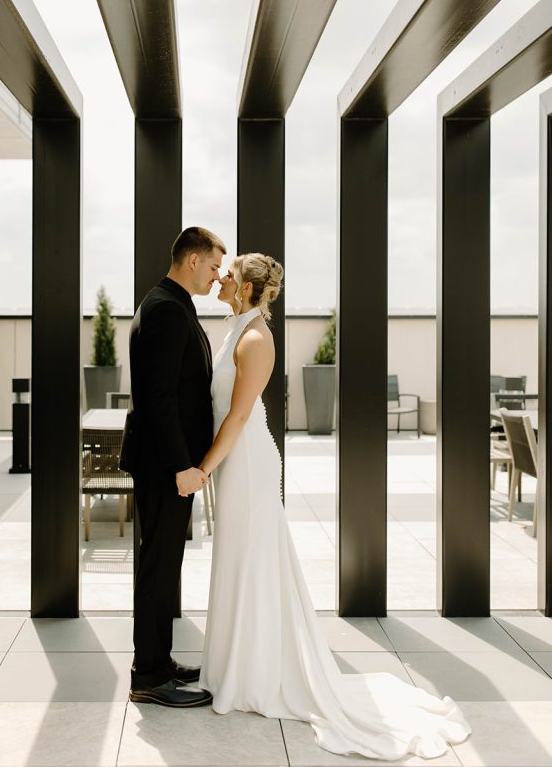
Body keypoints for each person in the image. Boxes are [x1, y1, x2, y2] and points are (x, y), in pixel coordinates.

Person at [199, 253, 471, 760]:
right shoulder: (233, 325)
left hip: (249, 464)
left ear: (249, 288)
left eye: (229, 272)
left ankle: (254, 671)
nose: (220, 276)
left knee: (252, 560)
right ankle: (235, 663)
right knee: (238, 560)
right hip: (236, 463)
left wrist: (203, 469)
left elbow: (236, 418)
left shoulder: (256, 339)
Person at [121, 226, 226, 708]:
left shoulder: (167, 302)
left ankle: (158, 663)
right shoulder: (166, 308)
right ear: (191, 261)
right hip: (166, 466)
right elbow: (158, 399)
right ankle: (148, 676)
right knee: (158, 567)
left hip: (166, 464)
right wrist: (184, 465)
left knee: (162, 566)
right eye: (212, 266)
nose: (216, 275)